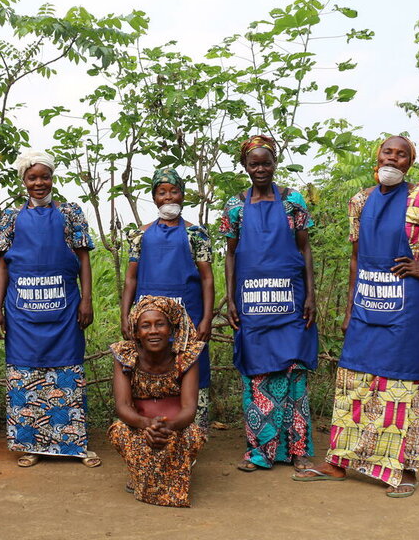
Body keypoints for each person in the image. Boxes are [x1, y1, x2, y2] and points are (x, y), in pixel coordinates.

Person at [293, 135, 419, 498]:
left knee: (399, 388)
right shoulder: (359, 200)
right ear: (376, 157)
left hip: (404, 310)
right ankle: (339, 462)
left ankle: (405, 467)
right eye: (388, 152)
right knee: (353, 383)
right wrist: (350, 310)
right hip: (366, 306)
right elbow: (355, 257)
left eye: (402, 154)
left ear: (409, 163)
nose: (393, 158)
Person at [0, 149, 100, 468]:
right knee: (26, 374)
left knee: (65, 372)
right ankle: (31, 445)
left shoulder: (70, 212)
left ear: (53, 178)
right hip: (22, 312)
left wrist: (87, 300)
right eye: (32, 177)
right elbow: (3, 267)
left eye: (45, 176)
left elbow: (83, 258)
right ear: (23, 181)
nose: (39, 182)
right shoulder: (11, 217)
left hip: (64, 309)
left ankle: (72, 445)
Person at [222, 135, 318, 473]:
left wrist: (311, 294)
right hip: (252, 305)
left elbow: (305, 248)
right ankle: (259, 452)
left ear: (275, 163)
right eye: (254, 163)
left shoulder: (293, 201)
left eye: (266, 162)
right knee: (257, 376)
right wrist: (231, 300)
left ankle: (299, 451)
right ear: (245, 166)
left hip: (290, 303)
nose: (260, 168)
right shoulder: (234, 205)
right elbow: (231, 254)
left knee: (294, 374)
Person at [120, 167, 214, 430]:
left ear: (182, 195)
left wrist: (206, 318)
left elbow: (207, 278)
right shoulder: (140, 234)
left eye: (174, 191)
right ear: (154, 198)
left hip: (189, 319)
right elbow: (131, 279)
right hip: (148, 322)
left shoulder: (197, 234)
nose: (168, 197)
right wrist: (125, 315)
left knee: (192, 369)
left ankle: (193, 434)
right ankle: (150, 429)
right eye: (162, 192)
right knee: (149, 369)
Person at [109, 295, 206, 508]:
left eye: (160, 324)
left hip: (174, 426)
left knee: (193, 435)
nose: (153, 331)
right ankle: (139, 474)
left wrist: (166, 427)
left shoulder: (185, 357)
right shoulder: (126, 356)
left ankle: (163, 473)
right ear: (136, 332)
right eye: (145, 326)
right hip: (140, 426)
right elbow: (123, 405)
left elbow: (189, 408)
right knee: (119, 431)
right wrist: (147, 425)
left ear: (170, 330)